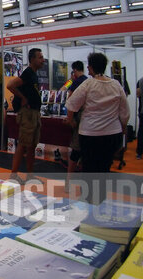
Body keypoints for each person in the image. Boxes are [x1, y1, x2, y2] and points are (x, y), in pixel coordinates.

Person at [66, 53, 129, 203]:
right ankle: (100, 200)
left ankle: (88, 203)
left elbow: (71, 104)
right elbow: (125, 112)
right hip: (111, 134)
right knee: (104, 168)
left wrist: (71, 121)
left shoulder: (88, 85)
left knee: (88, 168)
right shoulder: (116, 85)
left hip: (89, 134)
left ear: (91, 67)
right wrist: (123, 128)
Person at [7, 48, 45, 184]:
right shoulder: (28, 73)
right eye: (40, 57)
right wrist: (22, 98)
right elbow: (10, 85)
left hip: (34, 113)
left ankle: (29, 175)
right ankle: (13, 175)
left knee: (32, 145)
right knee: (23, 145)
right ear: (32, 59)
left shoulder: (33, 74)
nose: (43, 60)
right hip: (28, 114)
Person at [63, 61, 88, 192]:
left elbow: (67, 94)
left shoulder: (76, 82)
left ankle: (68, 182)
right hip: (88, 121)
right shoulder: (88, 81)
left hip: (79, 121)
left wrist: (70, 118)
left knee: (76, 152)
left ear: (74, 70)